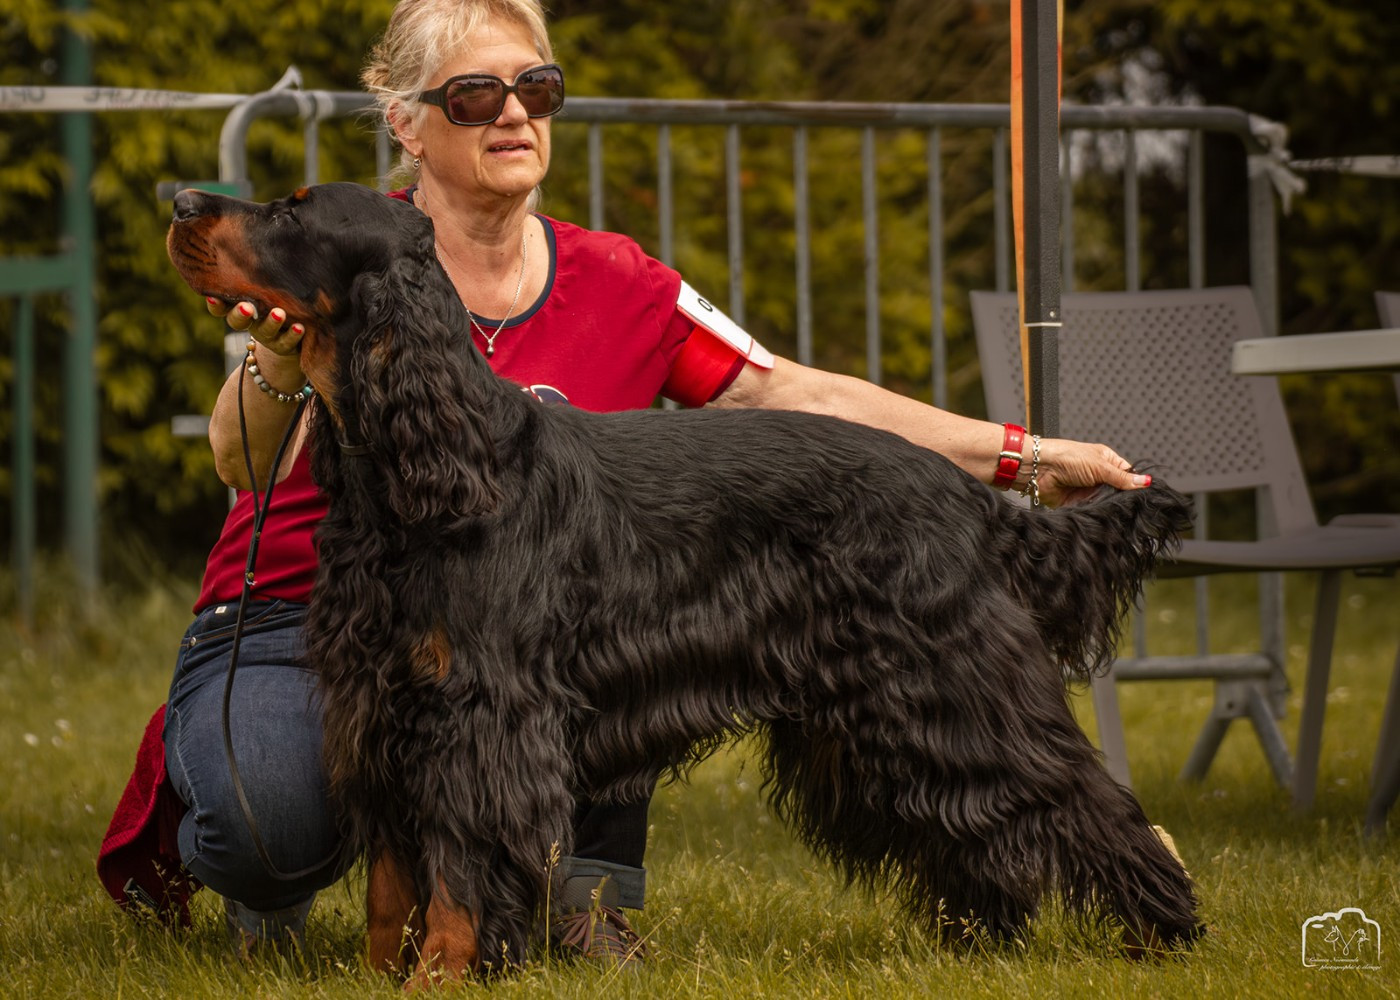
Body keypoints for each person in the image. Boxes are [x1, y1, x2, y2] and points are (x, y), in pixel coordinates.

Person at [100, 0, 1149, 965]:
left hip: (518, 610)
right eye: (477, 95)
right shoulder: (342, 246)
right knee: (270, 823)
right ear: (407, 124)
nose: (515, 113)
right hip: (290, 612)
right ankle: (276, 857)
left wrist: (1024, 456)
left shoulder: (621, 279)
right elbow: (237, 463)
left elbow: (795, 394)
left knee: (614, 609)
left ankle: (580, 897)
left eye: (537, 88)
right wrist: (279, 359)